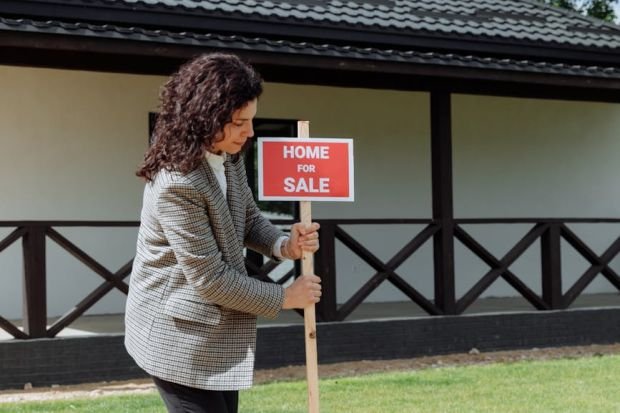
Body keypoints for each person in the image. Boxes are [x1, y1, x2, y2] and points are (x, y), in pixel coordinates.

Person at [124, 53, 322, 413]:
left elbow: (247, 219)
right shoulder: (177, 183)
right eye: (238, 122)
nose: (249, 132)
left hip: (212, 334)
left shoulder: (227, 157)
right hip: (178, 338)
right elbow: (211, 279)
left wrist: (284, 245)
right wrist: (285, 296)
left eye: (251, 120)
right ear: (205, 118)